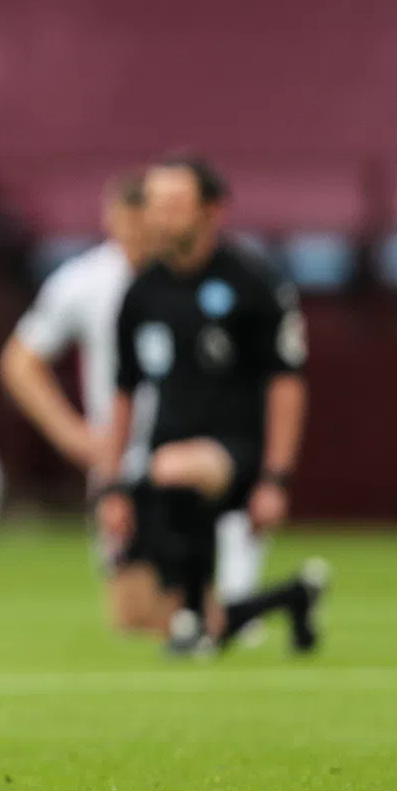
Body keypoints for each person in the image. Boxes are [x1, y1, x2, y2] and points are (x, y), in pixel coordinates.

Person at [0, 173, 271, 636]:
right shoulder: (86, 281)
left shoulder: (212, 278)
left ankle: (230, 619)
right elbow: (20, 363)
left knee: (207, 604)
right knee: (133, 619)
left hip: (196, 453)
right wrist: (76, 437)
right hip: (124, 459)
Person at [96, 155, 326, 656]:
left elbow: (287, 383)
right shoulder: (141, 292)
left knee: (177, 470)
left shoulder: (252, 283)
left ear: (212, 210)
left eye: (176, 204)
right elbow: (123, 392)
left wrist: (275, 477)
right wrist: (111, 484)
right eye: (155, 204)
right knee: (134, 616)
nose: (162, 216)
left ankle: (196, 618)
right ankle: (291, 596)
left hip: (234, 451)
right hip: (160, 459)